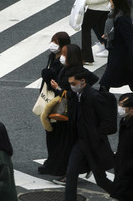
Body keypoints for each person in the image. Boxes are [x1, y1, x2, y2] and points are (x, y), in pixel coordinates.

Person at [47, 44, 99, 184]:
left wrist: (58, 88)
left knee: (68, 144)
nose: (62, 56)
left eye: (64, 54)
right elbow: (94, 78)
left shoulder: (75, 71)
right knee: (72, 143)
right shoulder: (69, 68)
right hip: (71, 111)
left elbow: (71, 93)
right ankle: (86, 165)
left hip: (72, 112)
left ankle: (69, 175)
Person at [64, 68, 115, 201]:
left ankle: (124, 195)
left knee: (101, 179)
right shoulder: (77, 96)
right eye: (70, 84)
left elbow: (106, 120)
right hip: (80, 142)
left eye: (73, 83)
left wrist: (96, 135)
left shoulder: (94, 97)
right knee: (71, 173)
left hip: (93, 144)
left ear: (83, 81)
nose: (72, 86)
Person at [38, 32, 71, 175]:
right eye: (52, 40)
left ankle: (54, 162)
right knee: (50, 132)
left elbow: (59, 82)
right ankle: (51, 160)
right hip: (49, 98)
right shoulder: (53, 57)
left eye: (56, 42)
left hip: (58, 101)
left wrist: (47, 75)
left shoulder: (64, 63)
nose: (53, 44)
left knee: (55, 133)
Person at [101, 0, 133, 93]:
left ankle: (100, 103)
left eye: (111, 1)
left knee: (105, 83)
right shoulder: (116, 15)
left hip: (121, 57)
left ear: (116, 2)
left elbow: (130, 40)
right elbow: (116, 32)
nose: (110, 3)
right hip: (119, 55)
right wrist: (108, 35)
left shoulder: (123, 19)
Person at [111, 93, 133, 201]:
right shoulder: (124, 121)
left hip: (131, 172)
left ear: (132, 109)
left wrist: (129, 167)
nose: (119, 108)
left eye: (122, 105)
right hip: (123, 167)